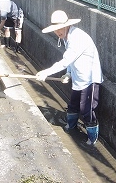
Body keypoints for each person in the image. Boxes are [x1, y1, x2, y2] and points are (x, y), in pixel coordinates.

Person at [35, 10, 103, 145]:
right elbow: (71, 62)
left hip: (90, 79)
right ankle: (71, 126)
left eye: (60, 28)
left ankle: (92, 137)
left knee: (86, 110)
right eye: (55, 29)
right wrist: (68, 73)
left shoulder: (78, 38)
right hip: (78, 76)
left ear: (66, 25)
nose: (58, 32)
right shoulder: (66, 37)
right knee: (72, 105)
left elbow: (66, 60)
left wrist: (46, 72)